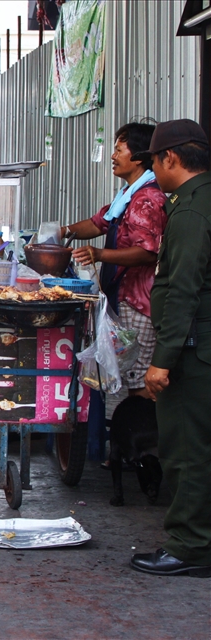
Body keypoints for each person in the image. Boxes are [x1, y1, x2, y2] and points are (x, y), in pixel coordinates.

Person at [131, 119, 211, 578]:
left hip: (194, 353)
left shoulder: (191, 211)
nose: (153, 172)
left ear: (172, 159)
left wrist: (162, 362)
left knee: (187, 449)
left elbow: (182, 289)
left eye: (155, 162)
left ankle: (190, 547)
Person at [67, 122, 168, 396]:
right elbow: (99, 223)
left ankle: (142, 435)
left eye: (119, 150)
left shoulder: (147, 199)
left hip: (138, 302)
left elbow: (148, 251)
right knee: (122, 377)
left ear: (137, 157)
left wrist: (99, 254)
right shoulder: (127, 195)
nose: (113, 156)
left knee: (138, 382)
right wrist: (63, 233)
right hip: (121, 297)